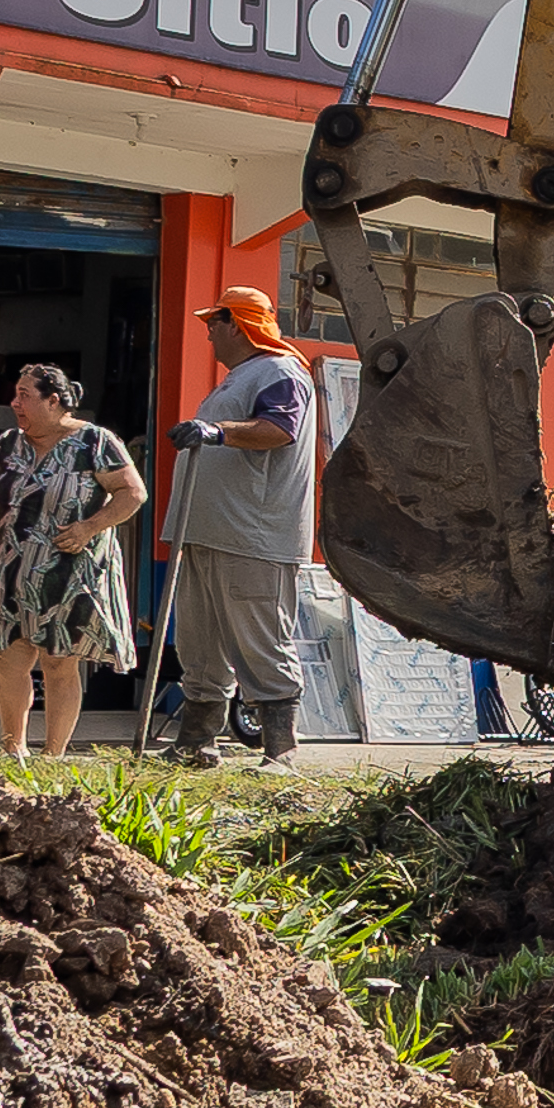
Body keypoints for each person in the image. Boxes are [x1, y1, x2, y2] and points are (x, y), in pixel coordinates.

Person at [156, 284, 354, 761]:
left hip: (253, 535)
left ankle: (280, 751)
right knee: (198, 642)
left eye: (213, 325)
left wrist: (217, 431)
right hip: (208, 533)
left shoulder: (280, 370)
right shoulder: (243, 376)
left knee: (261, 641)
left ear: (238, 325)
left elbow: (279, 430)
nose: (208, 336)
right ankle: (196, 743)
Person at [0, 362, 145, 757]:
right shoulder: (9, 444)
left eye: (24, 395)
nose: (14, 402)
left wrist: (90, 527)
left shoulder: (95, 443)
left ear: (53, 402)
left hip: (68, 576)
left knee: (58, 664)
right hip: (7, 574)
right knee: (8, 661)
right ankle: (12, 749)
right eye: (15, 394)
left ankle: (52, 755)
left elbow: (132, 493)